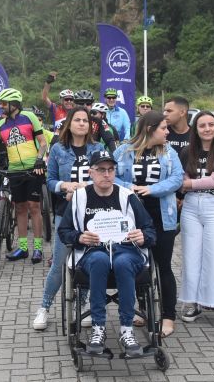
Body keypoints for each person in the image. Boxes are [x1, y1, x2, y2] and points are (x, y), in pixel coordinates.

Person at [58, 150, 156, 357]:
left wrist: (143, 236)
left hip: (126, 250)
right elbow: (64, 231)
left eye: (111, 170)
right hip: (92, 251)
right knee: (100, 260)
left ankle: (127, 330)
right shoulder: (79, 198)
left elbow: (149, 229)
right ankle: (98, 328)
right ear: (90, 173)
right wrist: (79, 237)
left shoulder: (127, 196)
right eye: (101, 170)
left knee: (122, 263)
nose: (107, 174)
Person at [33, 107, 104, 330]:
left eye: (85, 120)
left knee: (89, 260)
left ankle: (83, 305)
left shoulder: (97, 148)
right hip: (66, 213)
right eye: (77, 120)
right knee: (59, 262)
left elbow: (107, 177)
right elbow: (50, 180)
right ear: (69, 124)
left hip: (93, 214)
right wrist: (65, 186)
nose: (82, 123)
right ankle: (44, 308)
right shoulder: (57, 149)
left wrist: (88, 187)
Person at [114, 110, 183, 337]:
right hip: (133, 216)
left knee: (163, 266)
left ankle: (168, 316)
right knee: (136, 264)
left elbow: (177, 178)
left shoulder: (169, 151)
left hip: (162, 216)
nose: (167, 132)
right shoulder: (124, 151)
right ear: (150, 129)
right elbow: (108, 175)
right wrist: (127, 186)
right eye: (164, 128)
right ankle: (142, 309)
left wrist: (152, 189)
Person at [0, 88, 48, 263]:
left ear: (15, 104)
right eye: (0, 103)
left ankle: (37, 248)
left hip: (33, 169)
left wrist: (39, 160)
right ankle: (22, 248)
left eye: (4, 103)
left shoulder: (30, 117)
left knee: (34, 208)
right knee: (20, 208)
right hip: (14, 171)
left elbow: (43, 143)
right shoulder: (1, 124)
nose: (1, 106)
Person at [179, 111, 214, 332]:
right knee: (191, 258)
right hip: (191, 208)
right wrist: (210, 183)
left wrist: (194, 183)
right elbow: (181, 182)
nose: (208, 129)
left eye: (211, 124)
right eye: (202, 125)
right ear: (196, 129)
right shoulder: (185, 152)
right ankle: (193, 304)